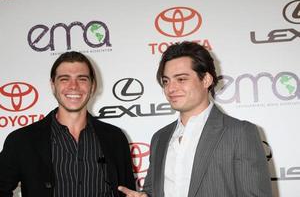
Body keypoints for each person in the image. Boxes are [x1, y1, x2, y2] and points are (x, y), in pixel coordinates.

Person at [118, 41, 272, 197]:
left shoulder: (239, 133)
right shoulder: (160, 138)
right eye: (166, 81)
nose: (170, 88)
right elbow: (152, 190)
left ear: (206, 80)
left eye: (181, 79)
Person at [0, 51, 135, 197]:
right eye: (64, 79)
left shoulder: (115, 138)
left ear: (93, 85)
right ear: (53, 85)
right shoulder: (22, 140)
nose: (73, 86)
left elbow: (129, 192)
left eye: (82, 79)